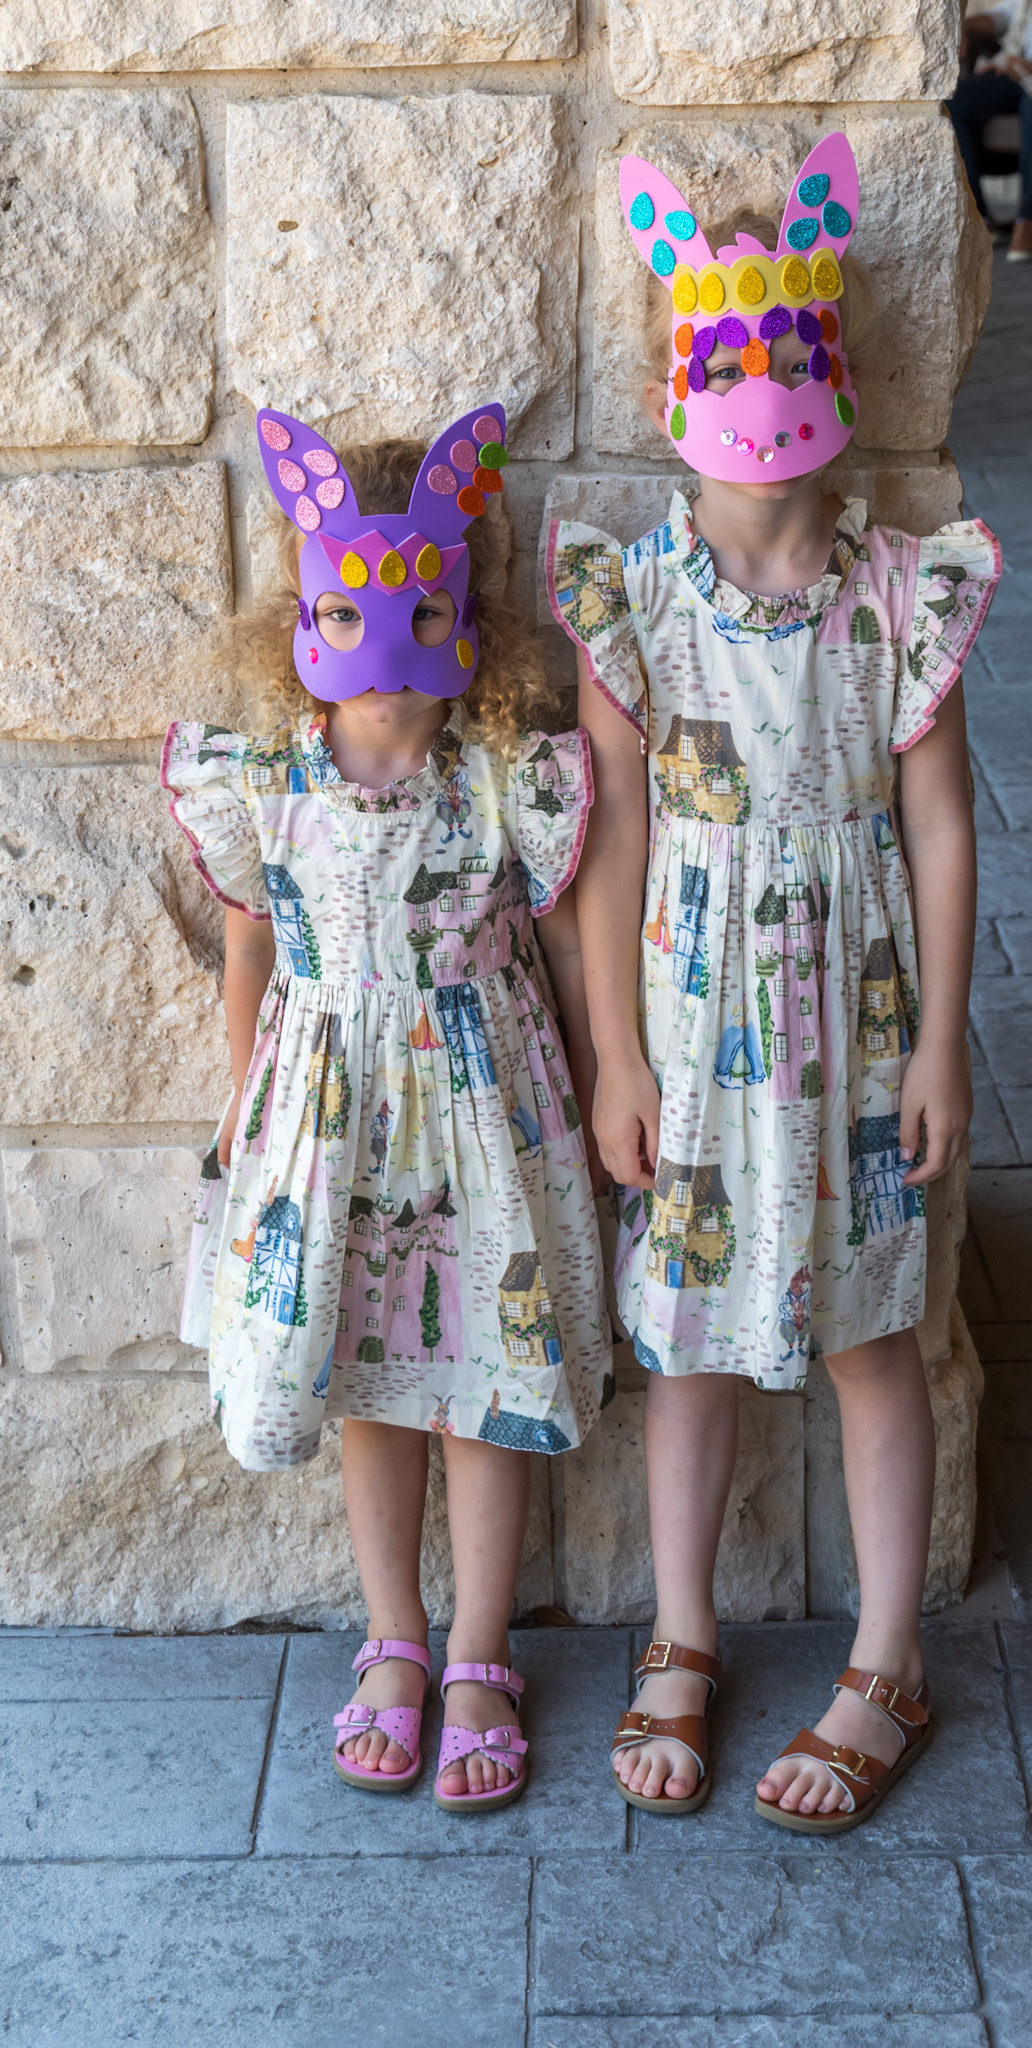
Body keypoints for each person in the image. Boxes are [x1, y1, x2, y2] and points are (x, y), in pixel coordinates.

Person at [549, 136, 1000, 1831]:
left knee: (877, 1328)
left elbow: (939, 818)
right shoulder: (634, 602)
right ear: (673, 380)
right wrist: (615, 1053)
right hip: (694, 1034)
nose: (756, 398)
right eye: (720, 361)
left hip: (862, 1028)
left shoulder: (899, 594)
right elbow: (607, 840)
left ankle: (886, 1656)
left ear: (835, 371)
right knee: (690, 1343)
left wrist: (940, 1040)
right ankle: (682, 1630)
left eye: (781, 358)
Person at [162, 405, 610, 1812]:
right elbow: (250, 947)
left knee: (485, 1378)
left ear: (465, 609)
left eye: (419, 610)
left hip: (484, 1109)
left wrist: (596, 1087)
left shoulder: (504, 774)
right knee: (367, 1379)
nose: (384, 647)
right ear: (305, 610)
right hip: (330, 1114)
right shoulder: (267, 777)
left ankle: (481, 1650)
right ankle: (396, 1636)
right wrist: (249, 1098)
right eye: (347, 611)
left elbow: (560, 948)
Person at [948, 0, 1032, 261]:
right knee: (955, 100)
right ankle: (979, 217)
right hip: (1015, 70)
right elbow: (1002, 15)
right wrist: (960, 25)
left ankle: (1027, 220)